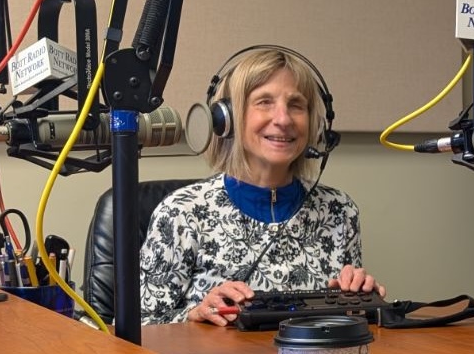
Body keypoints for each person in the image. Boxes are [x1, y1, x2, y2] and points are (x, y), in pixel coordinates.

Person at [139, 47, 382, 326]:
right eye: (264, 102)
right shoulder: (181, 213)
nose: (283, 119)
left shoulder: (340, 211)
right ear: (225, 119)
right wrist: (195, 315)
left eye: (296, 105)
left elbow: (349, 326)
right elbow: (142, 329)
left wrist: (361, 303)